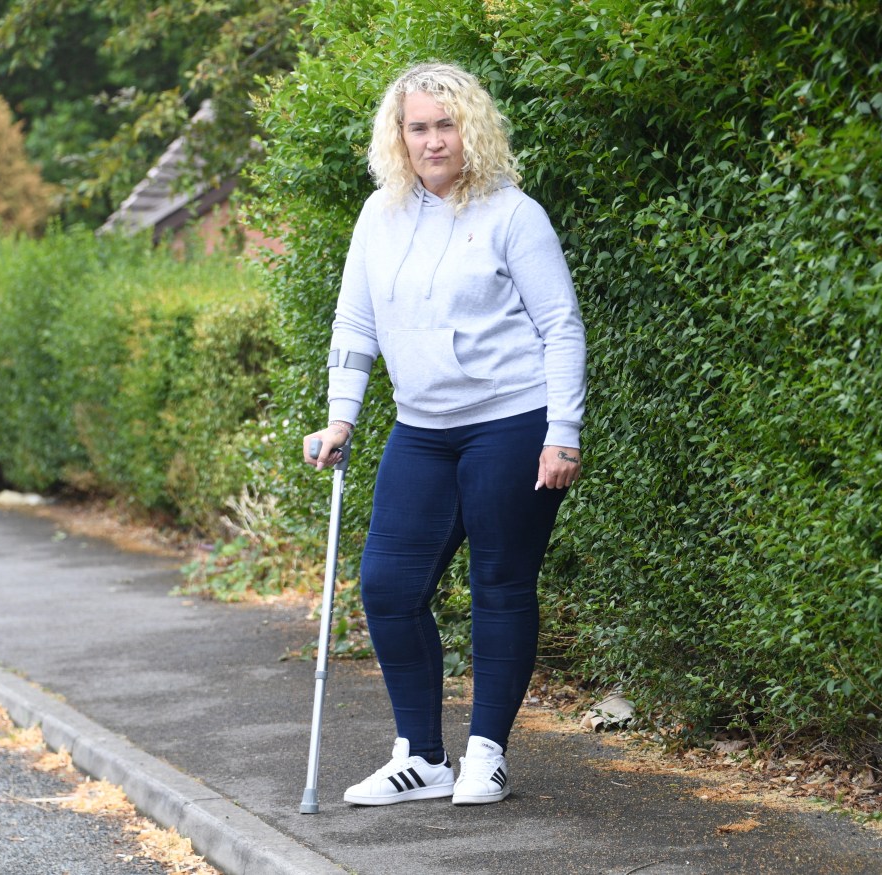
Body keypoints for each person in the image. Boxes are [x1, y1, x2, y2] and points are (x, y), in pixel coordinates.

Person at [303, 61, 586, 806]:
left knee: (500, 583)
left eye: (446, 124)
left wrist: (564, 430)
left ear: (473, 128)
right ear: (400, 136)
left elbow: (560, 326)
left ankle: (485, 753)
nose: (433, 141)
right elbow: (355, 322)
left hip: (510, 421)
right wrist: (341, 416)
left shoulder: (513, 214)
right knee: (388, 587)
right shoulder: (379, 215)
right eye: (419, 127)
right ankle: (422, 756)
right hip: (421, 429)